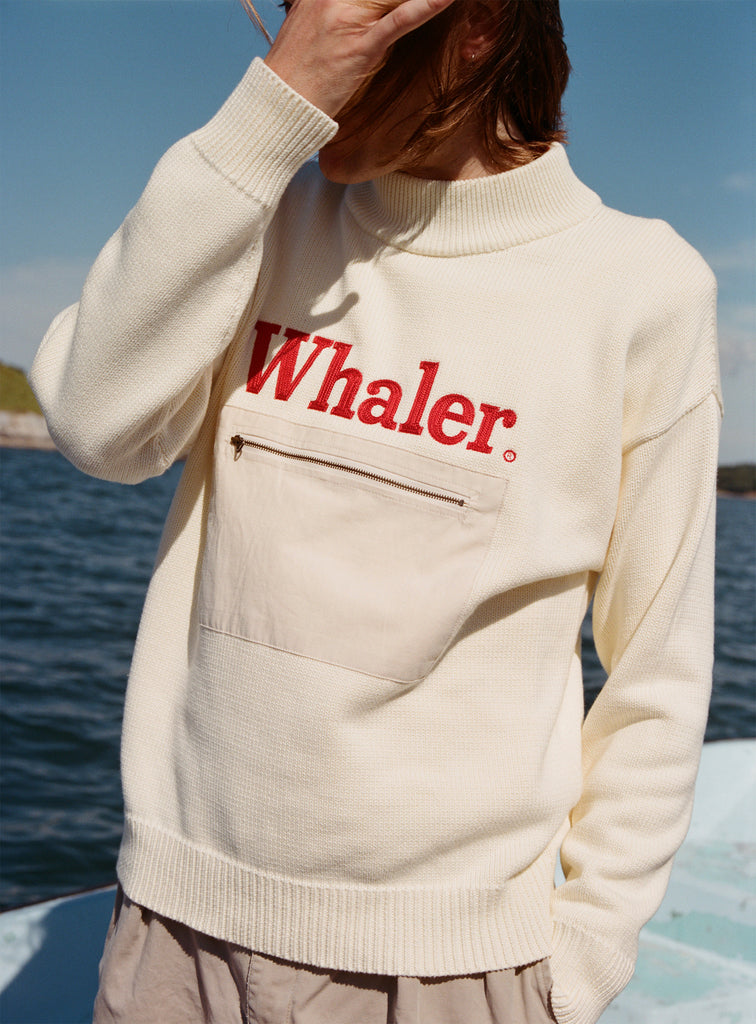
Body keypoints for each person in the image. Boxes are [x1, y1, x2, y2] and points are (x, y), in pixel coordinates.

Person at [30, 1, 722, 1022]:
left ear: (475, 28)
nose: (296, 38)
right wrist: (271, 112)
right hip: (172, 937)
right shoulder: (256, 208)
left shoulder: (643, 290)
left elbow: (659, 670)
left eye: (333, 10)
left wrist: (574, 965)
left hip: (451, 973)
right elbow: (97, 424)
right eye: (286, 13)